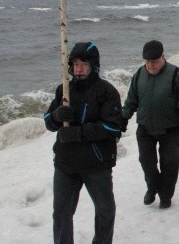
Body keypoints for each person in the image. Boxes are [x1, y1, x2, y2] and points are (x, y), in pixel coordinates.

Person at [43, 42, 122, 244]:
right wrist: (56, 116)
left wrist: (76, 133)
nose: (78, 69)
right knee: (61, 213)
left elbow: (113, 126)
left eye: (84, 64)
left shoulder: (107, 92)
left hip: (96, 163)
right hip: (66, 163)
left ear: (94, 66)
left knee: (105, 211)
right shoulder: (64, 90)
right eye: (75, 64)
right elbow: (48, 122)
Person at [122, 40, 179, 209]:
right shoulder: (139, 75)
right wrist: (123, 118)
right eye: (147, 61)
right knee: (146, 161)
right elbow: (131, 100)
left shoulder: (176, 74)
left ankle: (166, 195)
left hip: (171, 128)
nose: (150, 65)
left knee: (169, 164)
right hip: (145, 127)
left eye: (154, 61)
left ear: (163, 57)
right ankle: (152, 187)